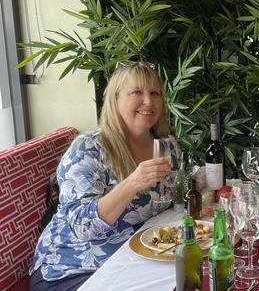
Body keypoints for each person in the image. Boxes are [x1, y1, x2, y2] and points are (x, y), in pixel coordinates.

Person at [29, 62, 177, 291]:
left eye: (155, 93)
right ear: (115, 99)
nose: (148, 101)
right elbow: (83, 227)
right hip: (71, 269)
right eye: (137, 92)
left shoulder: (167, 147)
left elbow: (172, 197)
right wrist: (131, 184)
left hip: (133, 259)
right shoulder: (88, 149)